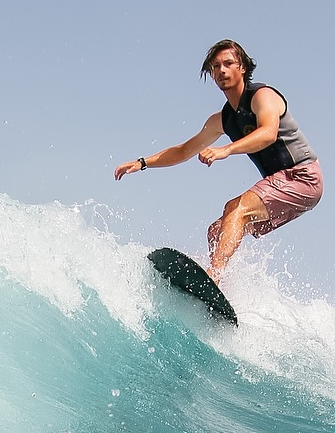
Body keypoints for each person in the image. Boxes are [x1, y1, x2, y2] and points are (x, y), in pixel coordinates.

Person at [115, 40, 322, 281]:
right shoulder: (222, 119)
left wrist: (226, 150)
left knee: (235, 209)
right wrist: (142, 162)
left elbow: (268, 132)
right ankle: (224, 289)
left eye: (228, 63)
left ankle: (215, 276)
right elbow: (184, 150)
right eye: (215, 67)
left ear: (242, 67)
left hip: (303, 177)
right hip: (284, 184)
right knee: (217, 231)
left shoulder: (262, 96)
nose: (221, 70)